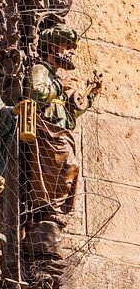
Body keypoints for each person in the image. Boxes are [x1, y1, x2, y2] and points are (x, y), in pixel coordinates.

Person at [22, 24, 101, 227]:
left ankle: (53, 208)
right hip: (45, 132)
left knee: (70, 166)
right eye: (67, 46)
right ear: (52, 48)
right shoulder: (41, 70)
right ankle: (44, 212)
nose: (71, 52)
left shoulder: (56, 77)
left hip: (60, 132)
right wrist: (59, 85)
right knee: (57, 168)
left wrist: (90, 94)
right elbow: (35, 94)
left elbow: (68, 113)